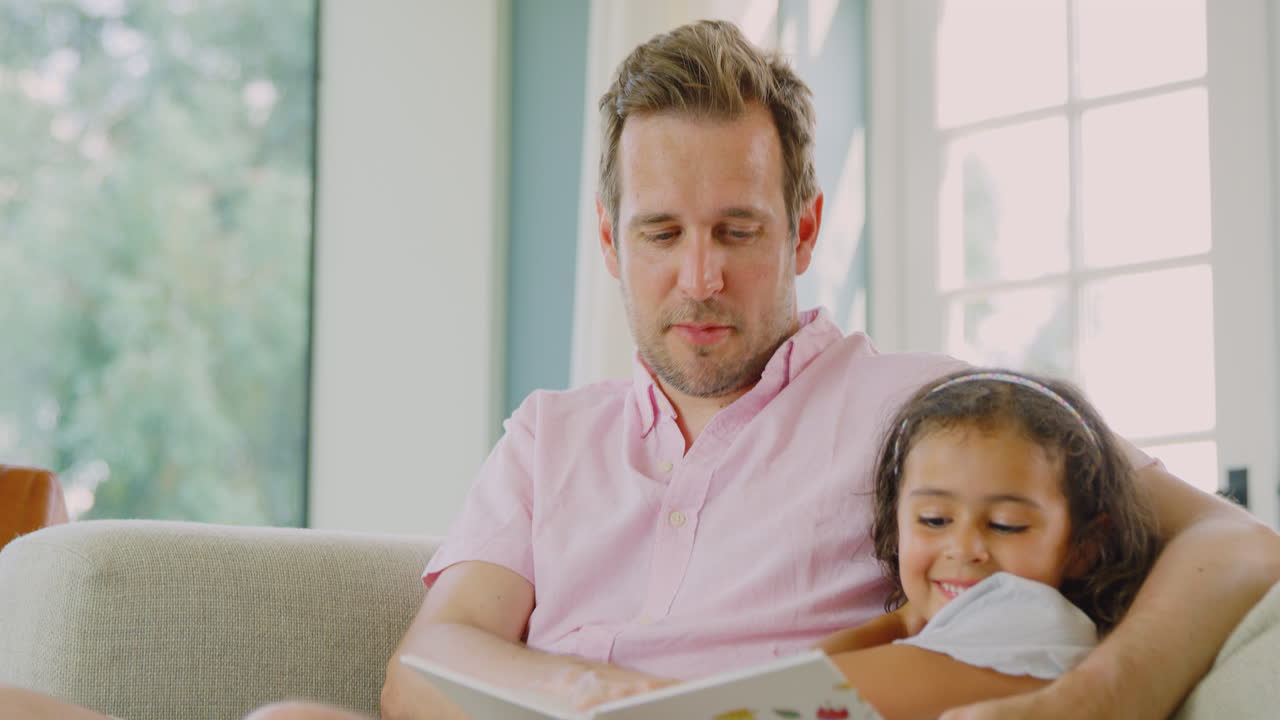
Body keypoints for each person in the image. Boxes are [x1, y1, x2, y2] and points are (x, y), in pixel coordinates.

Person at [3, 17, 1277, 720]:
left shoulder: (925, 412)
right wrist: (609, 698)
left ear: (804, 231)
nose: (699, 278)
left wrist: (1102, 695)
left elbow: (1232, 542)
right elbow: (424, 669)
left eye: (738, 231)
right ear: (611, 242)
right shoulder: (546, 437)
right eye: (662, 235)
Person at [809, 368, 1160, 718]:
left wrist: (899, 623)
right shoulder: (955, 637)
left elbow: (802, 695)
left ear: (1083, 546)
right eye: (934, 519)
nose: (963, 548)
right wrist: (902, 621)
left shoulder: (1033, 623)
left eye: (1006, 525)